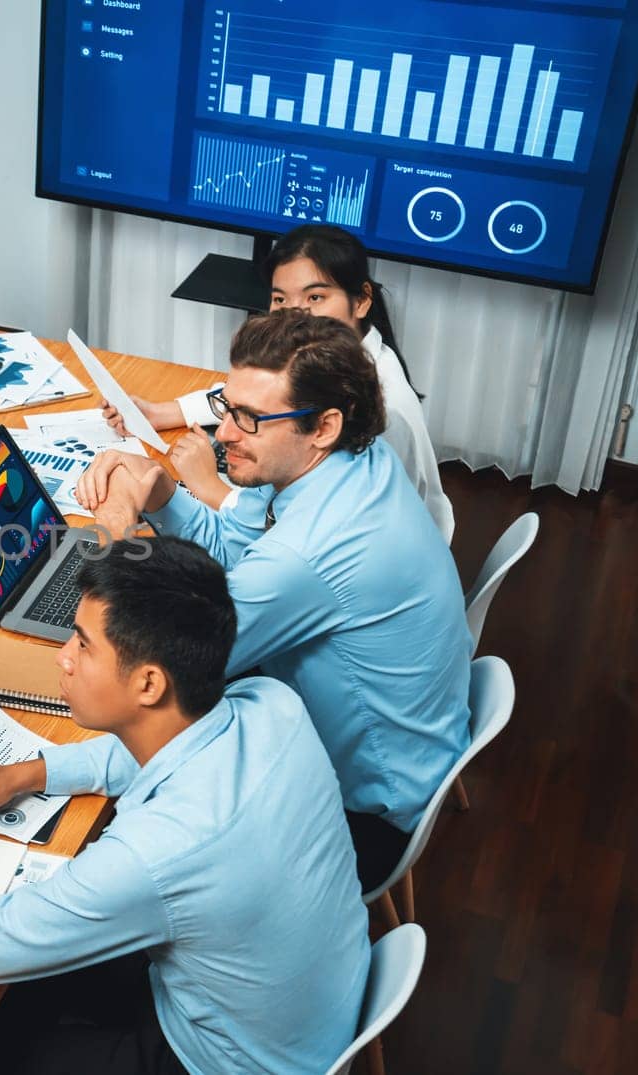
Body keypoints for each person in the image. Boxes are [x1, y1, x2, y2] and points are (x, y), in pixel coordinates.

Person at [0, 537, 369, 1075]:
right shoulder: (272, 703)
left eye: (82, 644)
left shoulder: (158, 851)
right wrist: (26, 774)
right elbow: (166, 746)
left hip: (226, 1060)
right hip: (304, 1007)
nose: (63, 658)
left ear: (148, 682)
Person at [76, 310, 471, 891]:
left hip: (365, 820)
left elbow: (156, 659)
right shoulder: (360, 460)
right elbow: (243, 550)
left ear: (323, 426)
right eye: (227, 409)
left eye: (250, 420)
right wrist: (164, 496)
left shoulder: (309, 553)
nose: (223, 435)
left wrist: (113, 524)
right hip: (413, 754)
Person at [105, 224, 454, 541]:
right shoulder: (339, 365)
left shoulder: (382, 412)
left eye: (315, 298)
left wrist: (210, 487)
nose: (294, 314)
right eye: (279, 299)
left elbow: (311, 533)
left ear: (361, 300)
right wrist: (163, 412)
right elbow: (270, 395)